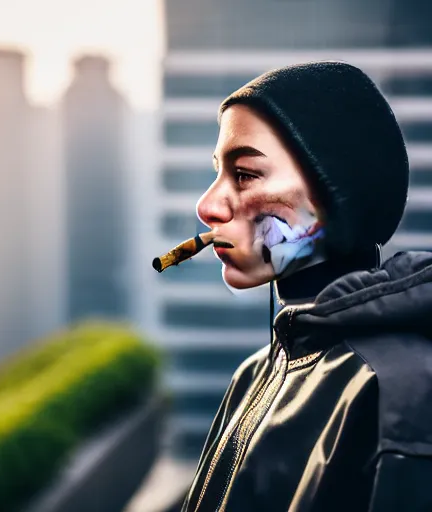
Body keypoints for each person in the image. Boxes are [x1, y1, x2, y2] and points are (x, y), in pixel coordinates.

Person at [179, 61, 432, 511]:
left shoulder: (396, 389)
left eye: (245, 175)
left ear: (337, 191)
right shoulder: (255, 372)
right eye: (218, 172)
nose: (208, 206)